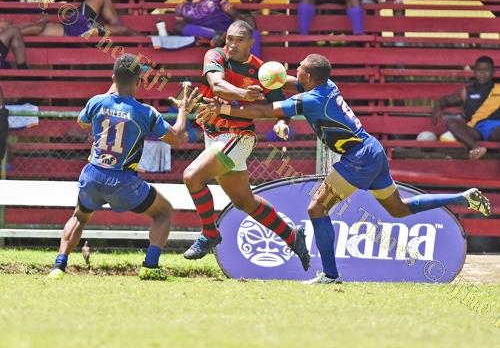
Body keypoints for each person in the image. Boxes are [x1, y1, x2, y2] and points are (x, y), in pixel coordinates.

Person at [199, 53, 492, 285]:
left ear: (309, 76)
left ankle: (329, 275)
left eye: (299, 69)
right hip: (371, 150)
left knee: (316, 209)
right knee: (399, 209)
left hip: (357, 158)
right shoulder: (325, 86)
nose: (294, 71)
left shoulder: (313, 99)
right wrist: (269, 82)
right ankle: (463, 197)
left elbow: (264, 111)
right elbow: (290, 83)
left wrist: (223, 109)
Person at [47, 53, 201, 280]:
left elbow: (82, 123)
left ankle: (58, 267)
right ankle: (150, 265)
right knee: (163, 212)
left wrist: (112, 91)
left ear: (113, 78)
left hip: (93, 174)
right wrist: (183, 110)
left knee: (79, 216)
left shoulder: (97, 101)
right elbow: (178, 137)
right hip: (123, 181)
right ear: (139, 82)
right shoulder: (145, 112)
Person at [180, 20, 310, 271]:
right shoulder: (216, 55)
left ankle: (209, 234)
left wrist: (282, 122)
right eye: (229, 38)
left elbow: (279, 106)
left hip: (237, 136)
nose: (232, 44)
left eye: (239, 40)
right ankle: (293, 236)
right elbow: (217, 85)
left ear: (251, 42)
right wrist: (242, 95)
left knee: (192, 176)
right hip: (213, 134)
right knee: (245, 202)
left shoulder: (263, 72)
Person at [174, 0, 262, 56]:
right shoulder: (182, 7)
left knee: (248, 19)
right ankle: (216, 35)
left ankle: (254, 63)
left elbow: (233, 13)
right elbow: (178, 28)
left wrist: (235, 22)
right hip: (206, 33)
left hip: (227, 28)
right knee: (179, 26)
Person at [432, 55, 500, 160]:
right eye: (479, 70)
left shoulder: (499, 89)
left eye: (486, 70)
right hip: (477, 130)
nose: (482, 74)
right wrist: (437, 109)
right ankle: (476, 148)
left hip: (496, 129)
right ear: (474, 72)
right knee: (451, 123)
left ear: (493, 72)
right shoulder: (466, 91)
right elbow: (444, 100)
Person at [20, 0, 140, 37]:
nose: (3, 20)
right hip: (77, 31)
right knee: (123, 30)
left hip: (74, 24)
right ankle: (147, 42)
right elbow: (37, 29)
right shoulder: (16, 30)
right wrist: (43, 20)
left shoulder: (15, 29)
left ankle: (115, 26)